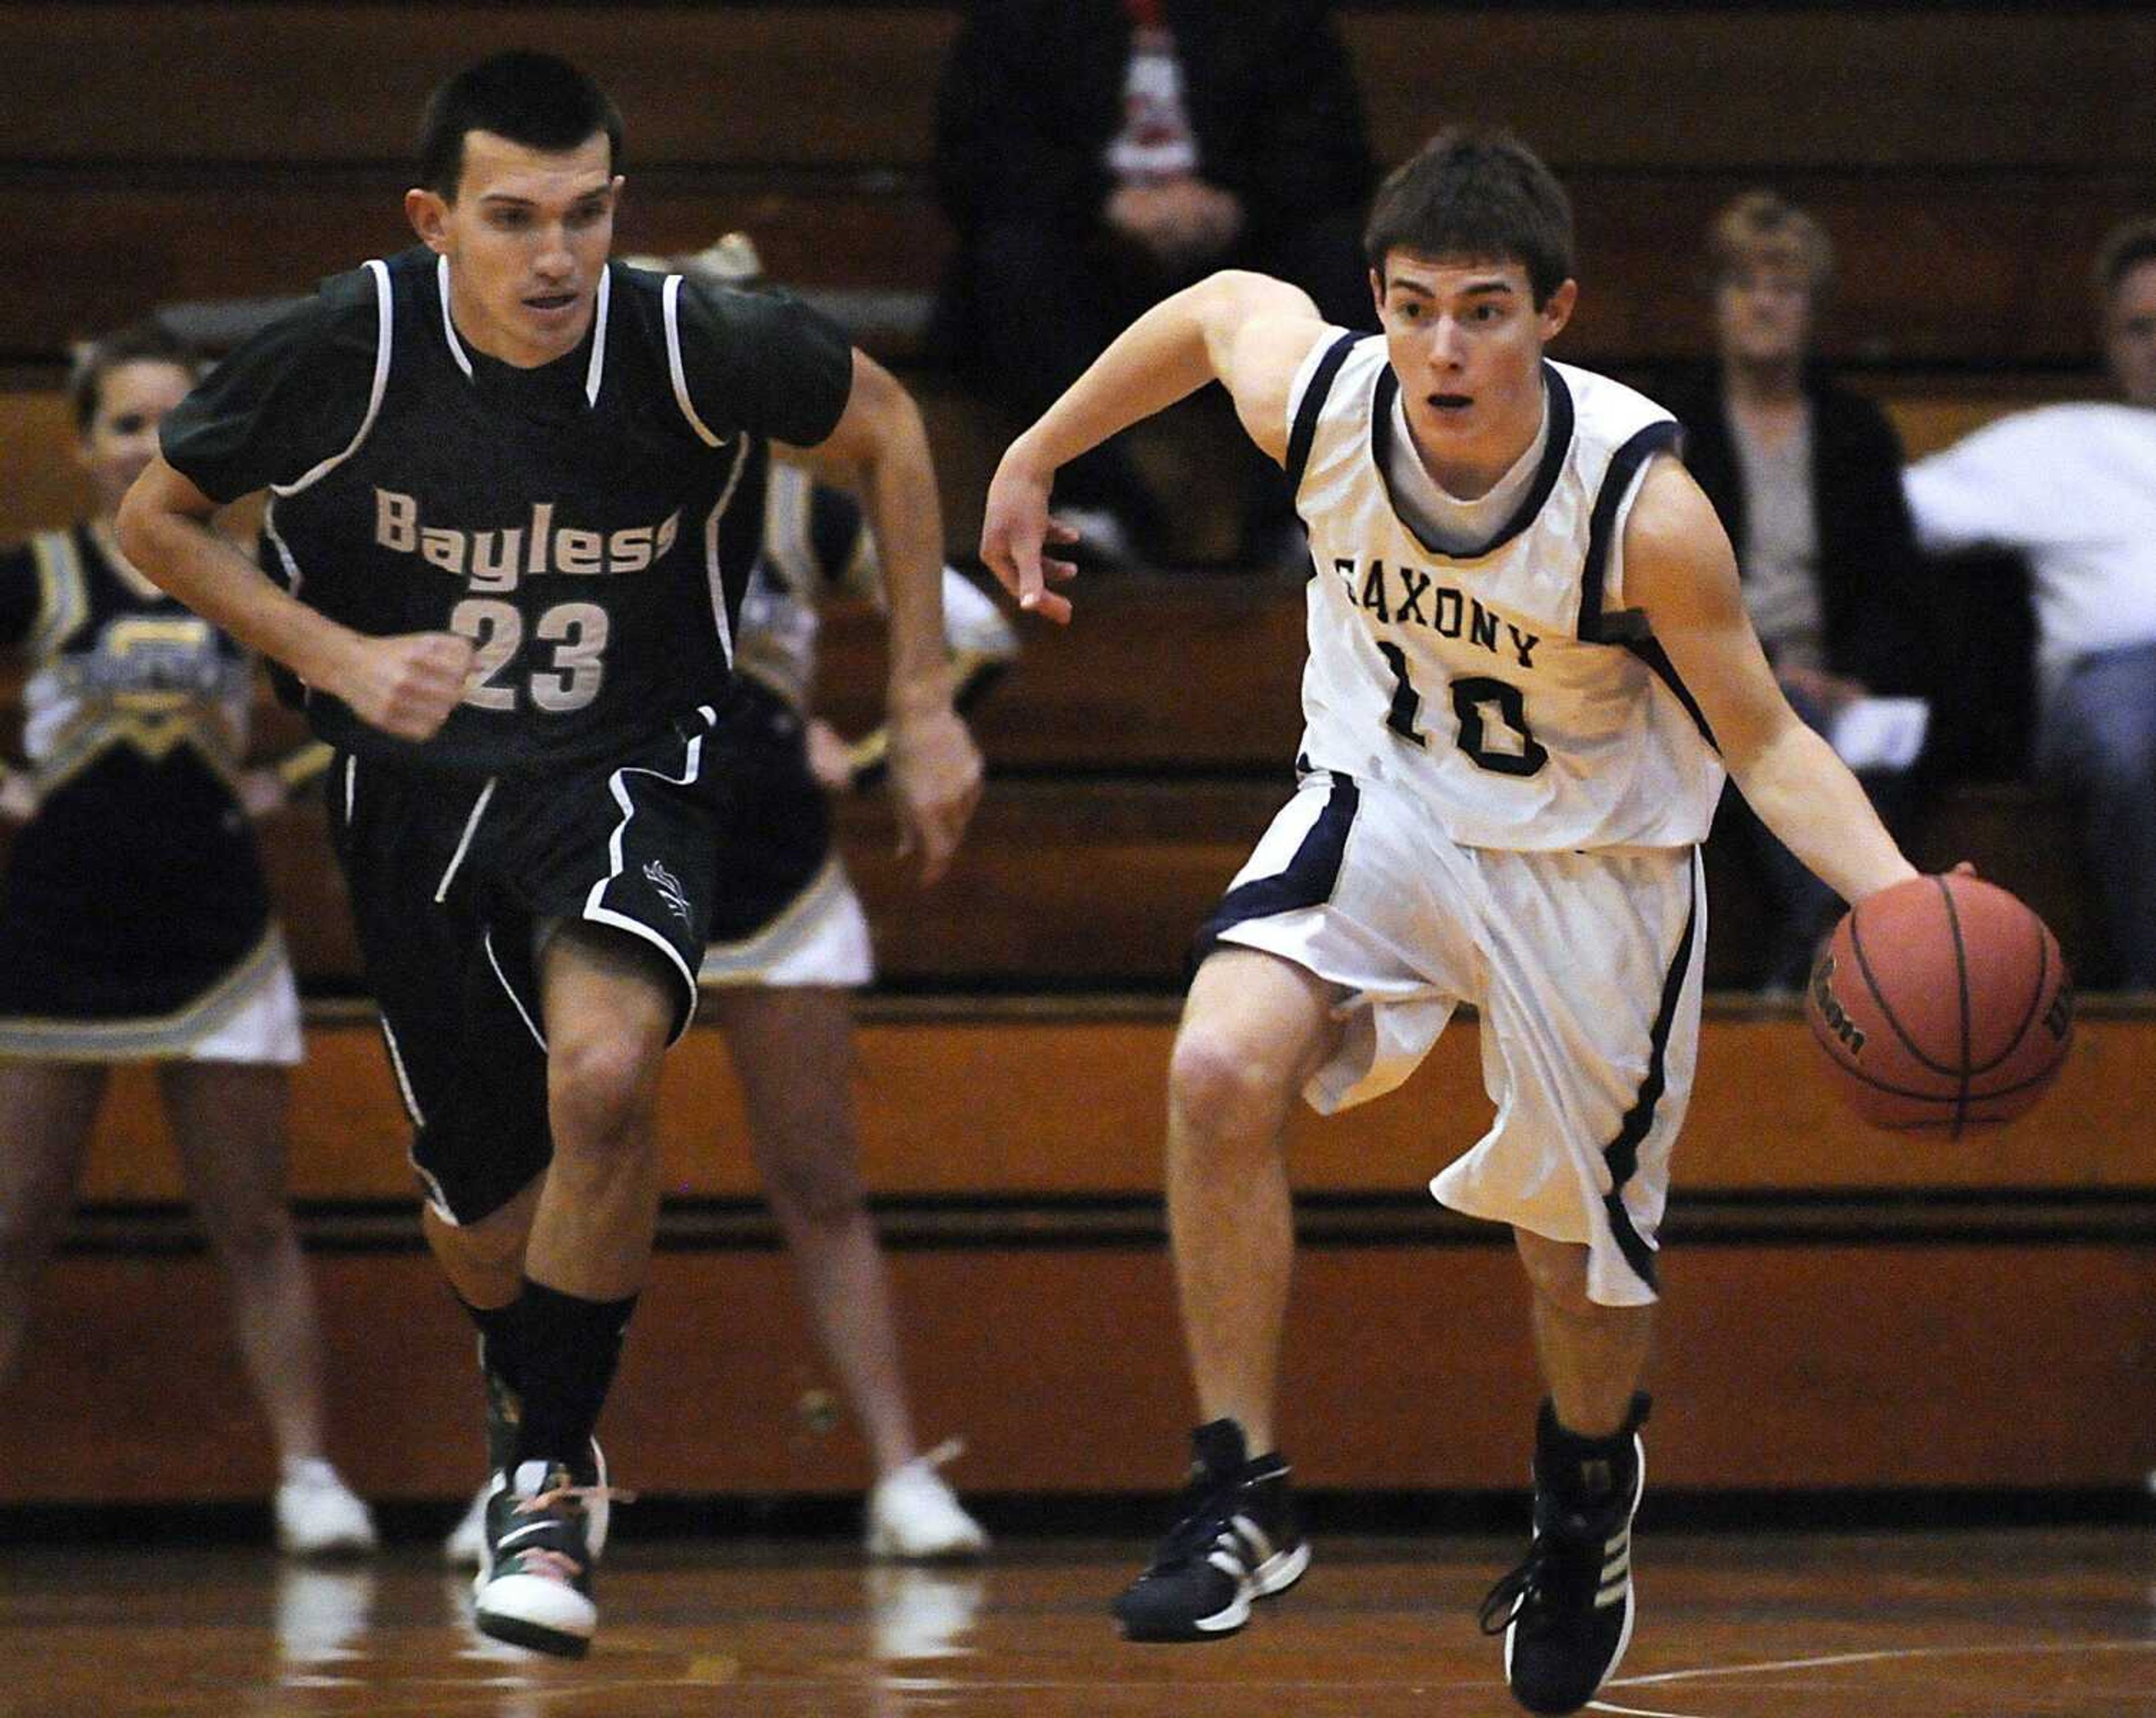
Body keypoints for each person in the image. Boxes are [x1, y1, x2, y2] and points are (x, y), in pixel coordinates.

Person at [980, 129, 1919, 1715]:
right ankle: (1240, 1488)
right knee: (1217, 1069)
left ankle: (1582, 1502)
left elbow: (1763, 738)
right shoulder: (1333, 398)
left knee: (1572, 1270)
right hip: (1392, 804)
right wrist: (1032, 452)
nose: (1443, 347)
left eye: (1483, 309)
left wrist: (1901, 902)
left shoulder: (1646, 510)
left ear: (1556, 311)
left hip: (1594, 865)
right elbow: (1216, 307)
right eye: (1414, 307)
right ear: (1379, 303)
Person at [117, 51, 981, 1657]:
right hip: (416, 789)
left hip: (632, 758)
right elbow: (154, 524)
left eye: (586, 214)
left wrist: (923, 695)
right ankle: (544, 1403)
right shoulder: (347, 347)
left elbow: (889, 429)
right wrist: (339, 655)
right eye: (513, 219)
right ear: (435, 220)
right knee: (484, 1213)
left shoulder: (690, 338)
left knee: (607, 1078)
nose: (556, 256)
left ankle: (539, 1484)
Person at [438, 233, 1010, 1569]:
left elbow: (975, 631)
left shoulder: (799, 512)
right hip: (596, 862)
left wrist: (873, 744)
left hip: (772, 870)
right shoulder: (570, 497)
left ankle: (894, 1470)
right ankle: (526, 1464)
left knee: (818, 1183)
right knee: (538, 1172)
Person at [0, 323, 376, 1560]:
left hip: (215, 929)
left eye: (171, 424)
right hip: (51, 940)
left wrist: (293, 782)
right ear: (81, 444)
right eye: (121, 424)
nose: (143, 448)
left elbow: (367, 686)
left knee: (254, 1220)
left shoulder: (250, 572)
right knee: (11, 1227)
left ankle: (308, 1474)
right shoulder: (41, 571)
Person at [933, 0, 1376, 569]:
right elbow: (978, 159)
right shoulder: (1022, 18)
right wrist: (1103, 204)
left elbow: (1334, 151)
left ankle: (1294, 517)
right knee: (1012, 263)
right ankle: (1094, 506)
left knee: (1337, 256)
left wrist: (1233, 202)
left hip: (1245, 253)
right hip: (1088, 255)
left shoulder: (1278, 18)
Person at [1658, 193, 1935, 989]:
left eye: (1786, 286)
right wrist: (1765, 671)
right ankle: (1838, 944)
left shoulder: (1857, 431)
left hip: (1844, 682)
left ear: (1813, 306)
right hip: (1716, 676)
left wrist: (1853, 676)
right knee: (1783, 729)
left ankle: (1818, 948)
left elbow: (1894, 585)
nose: (1765, 303)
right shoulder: (1674, 426)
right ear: (1715, 302)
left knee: (1899, 735)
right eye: (1745, 283)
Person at [1902, 216, 2156, 991]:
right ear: (2111, 342)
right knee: (2136, 747)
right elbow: (1889, 511)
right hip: (2114, 684)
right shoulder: (2062, 442)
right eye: (2142, 329)